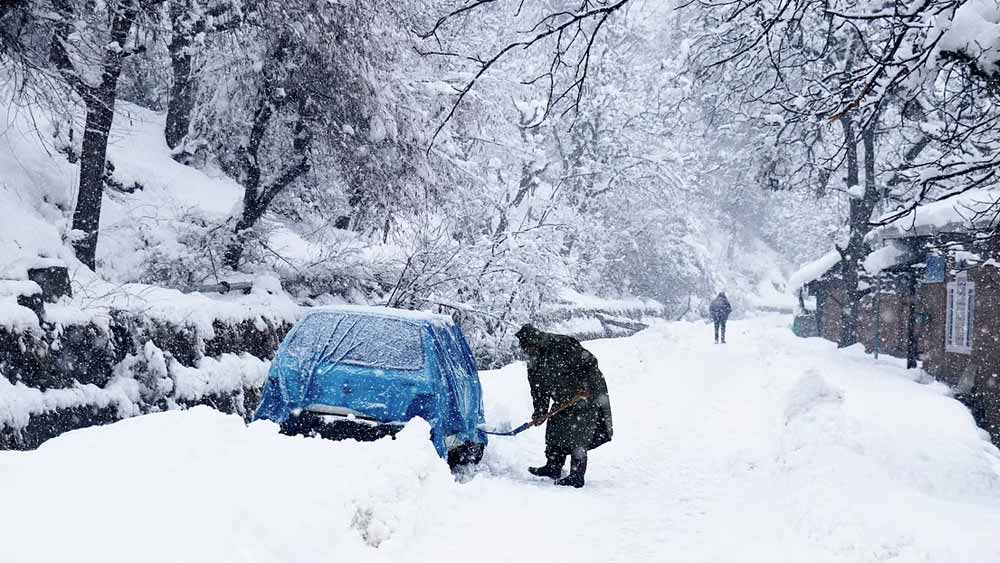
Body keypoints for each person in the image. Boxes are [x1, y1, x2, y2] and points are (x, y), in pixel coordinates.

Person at [515, 324, 613, 488]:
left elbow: (590, 362)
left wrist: (586, 386)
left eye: (528, 347)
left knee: (578, 436)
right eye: (524, 349)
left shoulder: (562, 344)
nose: (526, 351)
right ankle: (553, 467)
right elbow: (538, 389)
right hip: (562, 398)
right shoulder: (533, 359)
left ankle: (576, 476)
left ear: (536, 341)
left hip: (585, 395)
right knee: (555, 430)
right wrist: (540, 411)